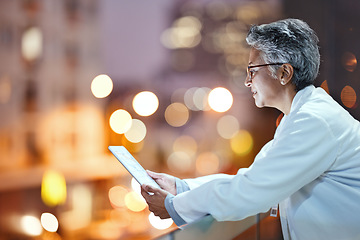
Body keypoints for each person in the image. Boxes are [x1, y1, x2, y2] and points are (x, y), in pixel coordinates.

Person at [141, 18, 360, 240]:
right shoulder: (304, 115)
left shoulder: (313, 121)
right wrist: (180, 187)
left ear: (284, 73)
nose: (247, 81)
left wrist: (174, 206)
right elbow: (251, 178)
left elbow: (251, 191)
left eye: (252, 70)